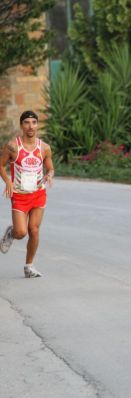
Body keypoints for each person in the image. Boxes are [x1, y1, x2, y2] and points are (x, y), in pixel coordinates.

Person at [0, 110, 54, 278]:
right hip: (20, 195)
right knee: (21, 232)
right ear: (22, 125)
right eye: (27, 123)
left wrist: (49, 175)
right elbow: (1, 165)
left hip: (38, 194)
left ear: (37, 125)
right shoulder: (12, 146)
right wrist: (8, 181)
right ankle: (11, 233)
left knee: (34, 230)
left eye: (34, 123)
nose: (31, 126)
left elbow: (50, 168)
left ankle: (29, 266)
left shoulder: (44, 148)